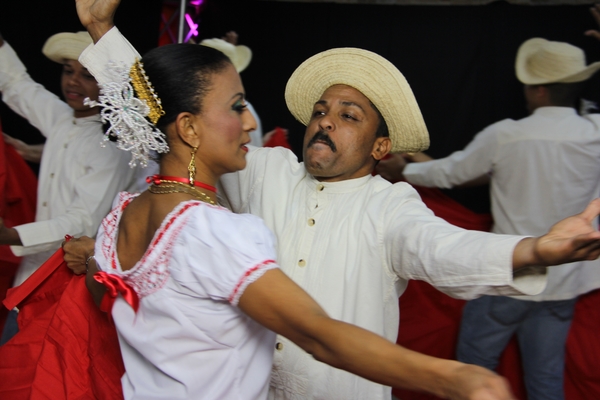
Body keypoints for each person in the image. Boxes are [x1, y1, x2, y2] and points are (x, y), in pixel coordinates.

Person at [74, 1, 600, 399]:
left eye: (349, 116)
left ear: (380, 147)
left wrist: (535, 249)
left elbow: (445, 249)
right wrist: (103, 33)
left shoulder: (391, 206)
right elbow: (172, 115)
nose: (325, 121)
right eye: (321, 110)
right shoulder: (264, 169)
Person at [382, 11, 600, 400]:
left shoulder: (506, 136)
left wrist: (406, 169)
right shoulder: (595, 133)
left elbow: (451, 173)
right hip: (564, 285)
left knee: (474, 373)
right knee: (546, 382)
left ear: (538, 90)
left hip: (510, 277)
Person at [0, 29, 137, 343]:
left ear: (107, 85)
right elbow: (17, 83)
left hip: (65, 285)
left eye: (87, 75)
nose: (73, 81)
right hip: (27, 279)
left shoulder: (110, 147)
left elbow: (81, 222)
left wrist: (10, 235)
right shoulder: (62, 119)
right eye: (67, 71)